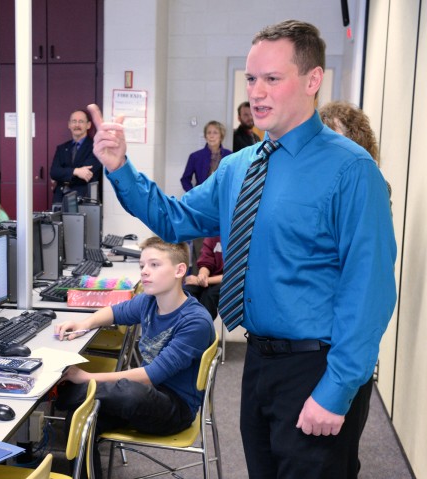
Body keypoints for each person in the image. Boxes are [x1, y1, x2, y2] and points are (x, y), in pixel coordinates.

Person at [88, 19, 396, 479]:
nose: (257, 91)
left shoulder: (350, 170)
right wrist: (120, 167)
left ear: (313, 80)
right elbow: (175, 218)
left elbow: (369, 290)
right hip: (257, 365)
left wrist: (336, 388)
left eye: (273, 78)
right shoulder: (239, 167)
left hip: (317, 366)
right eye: (252, 78)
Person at [54, 236, 214, 478]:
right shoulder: (149, 301)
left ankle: (64, 392)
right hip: (145, 397)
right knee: (81, 418)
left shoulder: (195, 321)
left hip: (174, 409)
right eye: (142, 266)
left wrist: (87, 377)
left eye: (154, 265)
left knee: (128, 392)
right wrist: (82, 323)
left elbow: (151, 375)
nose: (145, 272)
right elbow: (114, 311)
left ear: (180, 270)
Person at [50, 109, 103, 204]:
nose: (77, 125)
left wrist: (62, 175)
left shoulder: (96, 147)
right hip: (60, 199)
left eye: (81, 122)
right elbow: (54, 172)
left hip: (84, 200)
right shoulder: (61, 148)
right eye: (74, 121)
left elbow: (87, 174)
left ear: (88, 125)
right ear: (69, 125)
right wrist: (76, 171)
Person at [180, 121, 231, 192]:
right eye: (209, 132)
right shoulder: (195, 156)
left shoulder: (229, 155)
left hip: (222, 197)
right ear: (205, 136)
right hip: (201, 197)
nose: (211, 136)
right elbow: (185, 179)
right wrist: (193, 194)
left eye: (215, 133)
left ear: (221, 136)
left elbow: (233, 178)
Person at [183, 236, 222, 320]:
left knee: (209, 295)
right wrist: (202, 275)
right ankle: (185, 324)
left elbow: (234, 274)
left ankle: (202, 326)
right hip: (210, 278)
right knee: (187, 290)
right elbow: (206, 261)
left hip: (226, 280)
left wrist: (206, 280)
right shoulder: (212, 236)